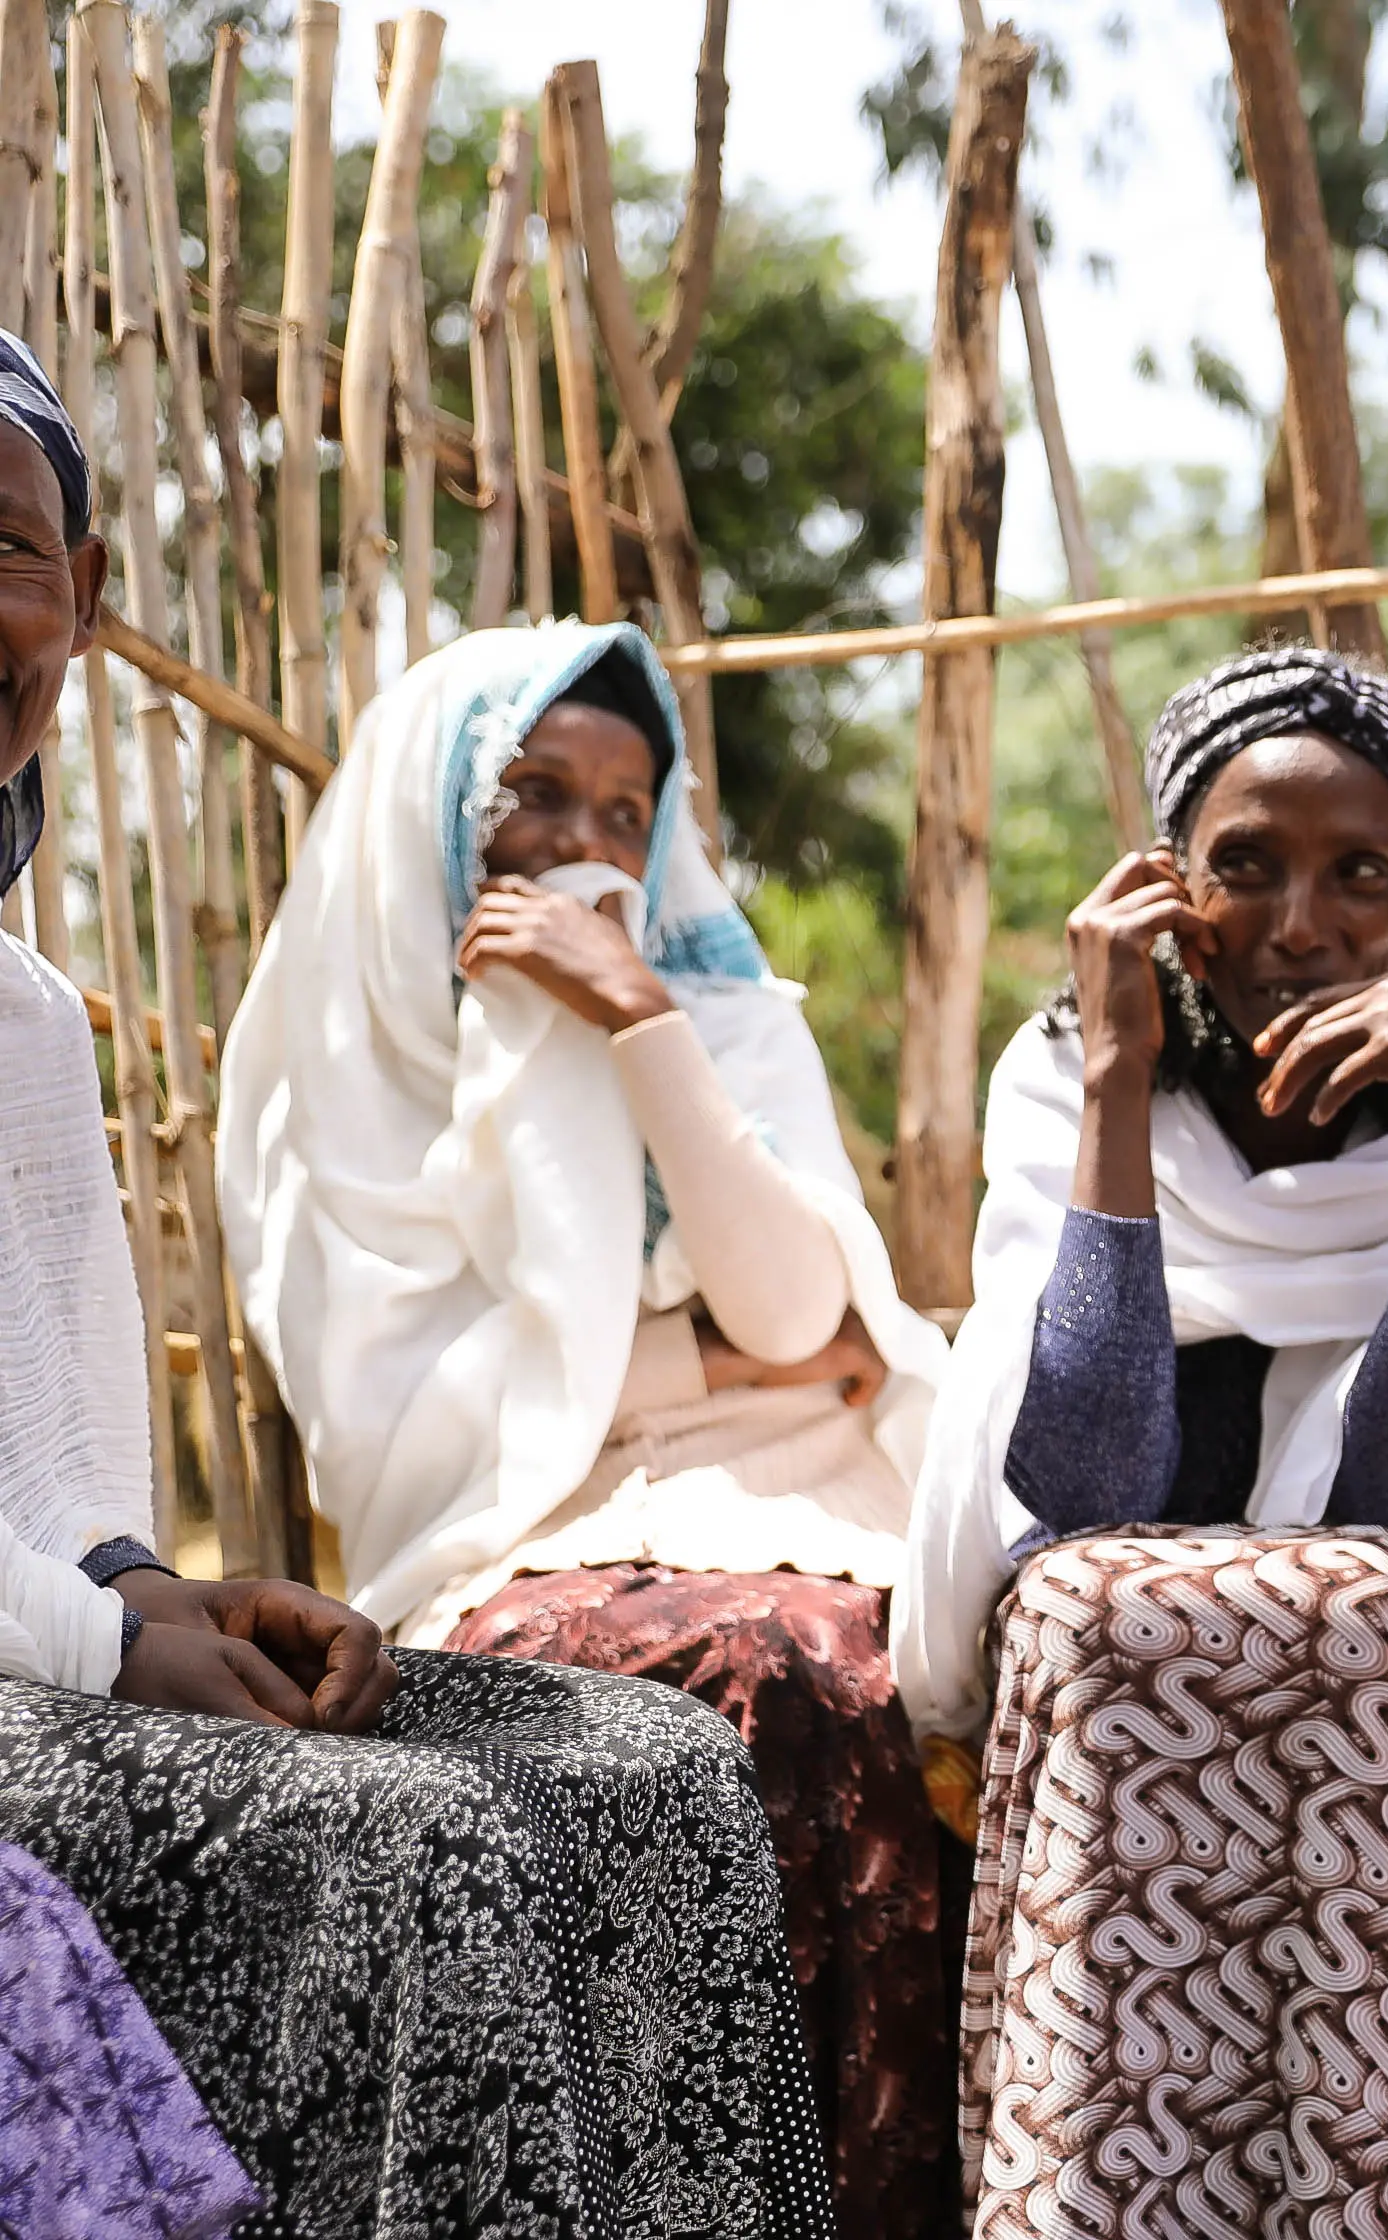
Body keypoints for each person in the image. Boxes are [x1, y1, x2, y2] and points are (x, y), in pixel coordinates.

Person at [0, 330, 831, 2232]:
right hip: (25, 1670)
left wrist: (154, 1585)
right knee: (413, 1850)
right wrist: (108, 1643)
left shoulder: (26, 1015)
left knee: (653, 1772)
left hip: (43, 1633)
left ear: (84, 602)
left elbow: (43, 1459)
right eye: (538, 799)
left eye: (4, 549)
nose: (589, 859)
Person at [215, 621, 955, 2232]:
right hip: (524, 1543)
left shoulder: (723, 1012)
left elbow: (785, 1311)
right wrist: (735, 1369)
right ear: (437, 819)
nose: (583, 847)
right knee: (727, 1684)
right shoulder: (344, 1080)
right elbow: (400, 1411)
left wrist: (636, 1020)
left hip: (809, 1511)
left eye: (630, 815)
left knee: (875, 1671)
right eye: (534, 796)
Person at [897, 646, 1388, 2240]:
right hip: (1132, 1603)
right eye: (1246, 867)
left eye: (1361, 874)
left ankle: (1379, 2199)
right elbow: (1079, 1486)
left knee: (1347, 1605)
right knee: (1092, 1604)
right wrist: (1120, 1087)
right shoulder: (1069, 1068)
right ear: (1164, 884)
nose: (1301, 925)